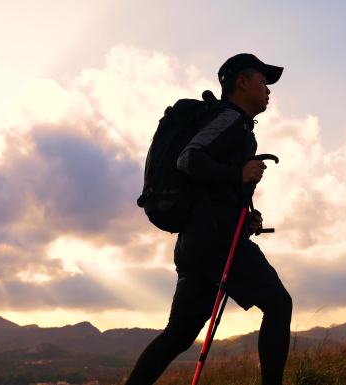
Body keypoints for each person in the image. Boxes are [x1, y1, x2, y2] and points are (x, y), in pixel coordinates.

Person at [125, 53, 292, 385]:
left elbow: (212, 185)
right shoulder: (229, 118)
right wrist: (238, 174)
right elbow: (188, 160)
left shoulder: (237, 125)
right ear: (241, 82)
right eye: (263, 81)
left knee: (178, 335)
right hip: (215, 238)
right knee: (278, 303)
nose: (269, 90)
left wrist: (246, 215)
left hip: (196, 242)